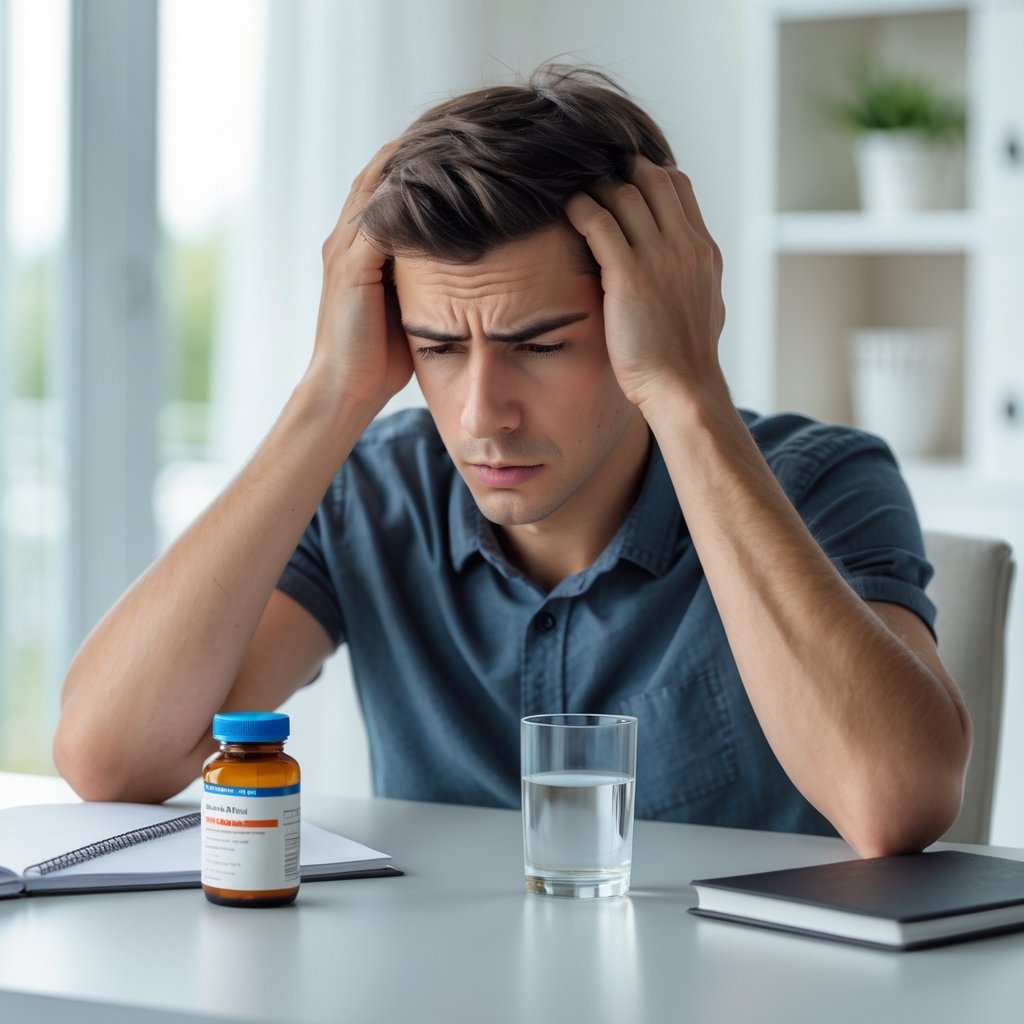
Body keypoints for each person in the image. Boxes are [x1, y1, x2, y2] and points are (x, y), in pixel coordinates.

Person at [54, 65, 970, 857]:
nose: (481, 415)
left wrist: (687, 390)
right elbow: (112, 758)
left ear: (644, 312)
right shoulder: (378, 493)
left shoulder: (823, 480)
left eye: (539, 345)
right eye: (438, 348)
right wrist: (328, 398)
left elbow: (893, 803)